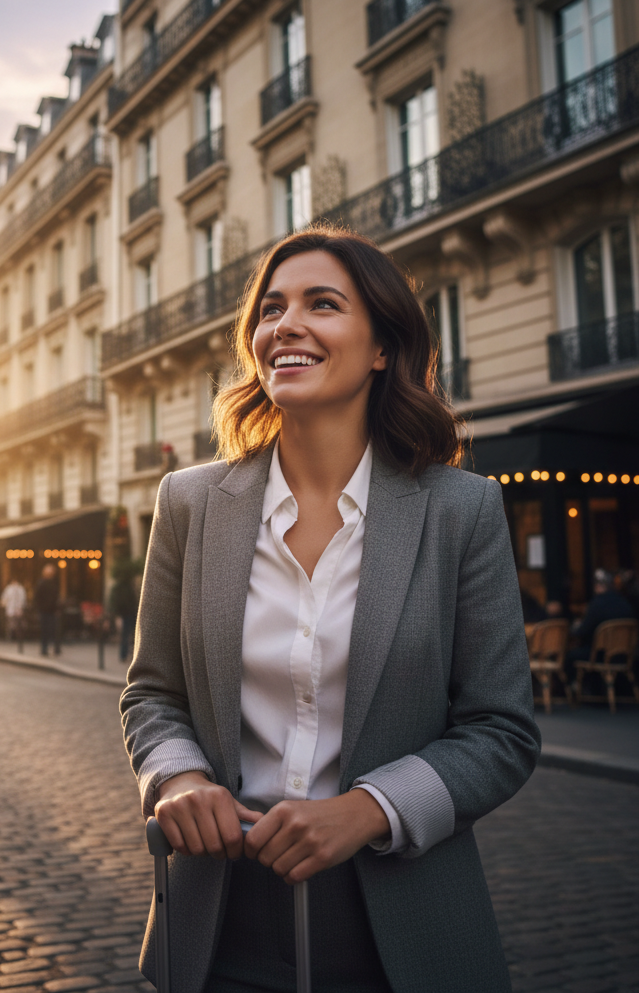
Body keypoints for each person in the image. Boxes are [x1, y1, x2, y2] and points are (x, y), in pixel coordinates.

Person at [120, 225, 541, 993]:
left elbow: (501, 729)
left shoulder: (462, 509)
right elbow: (152, 694)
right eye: (271, 309)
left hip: (404, 923)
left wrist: (370, 809)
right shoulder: (188, 502)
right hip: (218, 920)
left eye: (322, 304)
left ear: (381, 347)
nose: (287, 324)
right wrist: (178, 780)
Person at [570, 568, 637, 666]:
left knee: (570, 656)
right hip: (624, 656)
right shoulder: (625, 603)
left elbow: (582, 631)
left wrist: (576, 627)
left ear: (598, 586)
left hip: (601, 656)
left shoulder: (597, 604)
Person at [110, 564, 139, 663]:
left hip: (130, 613)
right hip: (126, 614)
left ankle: (128, 655)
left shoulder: (126, 587)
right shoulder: (122, 588)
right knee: (126, 635)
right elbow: (116, 602)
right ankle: (124, 655)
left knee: (129, 635)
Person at [34, 564, 61, 657]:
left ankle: (56, 648)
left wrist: (57, 608)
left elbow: (56, 596)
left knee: (54, 629)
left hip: (52, 610)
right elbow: (37, 597)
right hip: (44, 610)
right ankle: (44, 648)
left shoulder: (54, 583)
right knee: (45, 630)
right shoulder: (41, 583)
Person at [0, 576, 28, 642]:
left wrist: (21, 607)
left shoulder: (20, 589)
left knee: (17, 624)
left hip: (17, 609)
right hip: (11, 609)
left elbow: (23, 599)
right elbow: (4, 598)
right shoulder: (9, 589)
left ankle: (16, 636)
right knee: (11, 623)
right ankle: (10, 636)